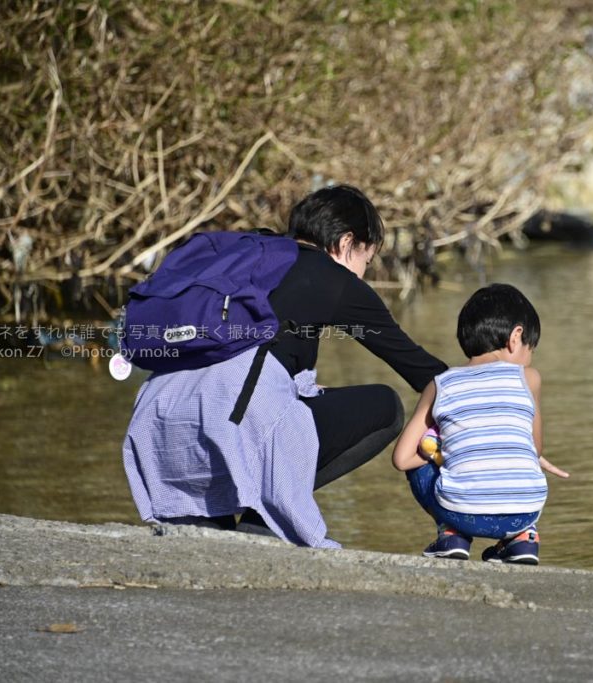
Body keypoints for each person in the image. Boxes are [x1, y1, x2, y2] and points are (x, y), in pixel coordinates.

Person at [122, 185, 446, 547]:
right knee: (385, 407)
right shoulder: (333, 278)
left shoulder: (248, 259)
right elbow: (421, 369)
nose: (363, 275)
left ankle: (210, 517)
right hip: (231, 425)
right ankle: (264, 520)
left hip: (159, 429)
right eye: (365, 261)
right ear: (345, 242)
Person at [392, 283, 569, 564]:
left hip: (461, 511)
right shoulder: (529, 378)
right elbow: (534, 449)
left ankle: (451, 535)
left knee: (420, 467)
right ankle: (523, 539)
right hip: (525, 511)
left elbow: (402, 459)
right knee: (521, 467)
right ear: (516, 337)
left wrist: (440, 453)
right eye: (530, 349)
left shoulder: (440, 385)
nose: (529, 357)